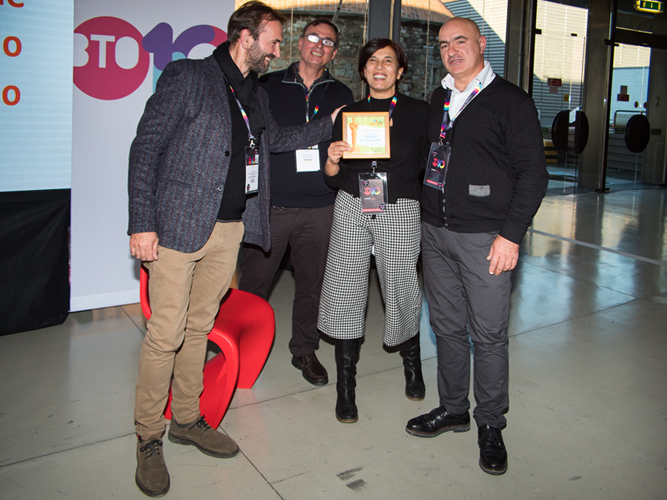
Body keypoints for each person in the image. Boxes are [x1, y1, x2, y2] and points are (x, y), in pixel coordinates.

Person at [127, 2, 337, 496]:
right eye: (274, 39)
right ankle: (148, 437)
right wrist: (142, 222)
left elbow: (276, 141)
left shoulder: (256, 94)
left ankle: (186, 418)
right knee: (166, 333)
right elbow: (146, 147)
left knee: (200, 327)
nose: (279, 48)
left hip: (228, 229)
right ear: (246, 37)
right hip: (176, 228)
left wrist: (329, 124)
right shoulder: (189, 76)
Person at [405, 18, 548, 476]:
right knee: (446, 328)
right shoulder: (439, 97)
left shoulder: (511, 101)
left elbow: (534, 175)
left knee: (486, 336)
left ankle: (490, 423)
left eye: (460, 41)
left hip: (486, 239)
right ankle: (453, 410)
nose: (451, 50)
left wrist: (511, 234)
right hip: (436, 232)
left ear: (481, 45)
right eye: (444, 44)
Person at [318, 38, 430, 424]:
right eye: (372, 61)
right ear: (363, 70)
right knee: (344, 289)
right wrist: (332, 159)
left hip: (399, 207)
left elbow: (435, 165)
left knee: (400, 286)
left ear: (400, 71)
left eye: (388, 61)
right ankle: (345, 388)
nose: (379, 67)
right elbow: (332, 178)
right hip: (352, 204)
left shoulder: (419, 113)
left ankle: (412, 367)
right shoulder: (347, 113)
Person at [239, 19, 354, 386]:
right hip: (272, 205)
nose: (320, 45)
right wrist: (325, 124)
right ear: (300, 43)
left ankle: (304, 349)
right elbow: (269, 141)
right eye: (313, 38)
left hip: (322, 207)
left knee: (311, 284)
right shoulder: (267, 86)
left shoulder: (343, 94)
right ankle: (239, 346)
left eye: (329, 42)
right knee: (255, 282)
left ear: (334, 53)